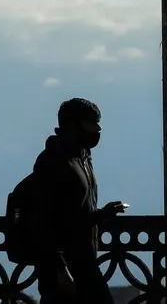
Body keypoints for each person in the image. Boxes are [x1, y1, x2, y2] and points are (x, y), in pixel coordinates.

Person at [29, 98, 126, 303]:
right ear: (72, 125)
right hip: (64, 271)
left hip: (84, 264)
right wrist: (60, 268)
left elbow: (74, 214)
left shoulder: (83, 158)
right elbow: (44, 220)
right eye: (91, 123)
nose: (98, 129)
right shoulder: (52, 161)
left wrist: (101, 215)